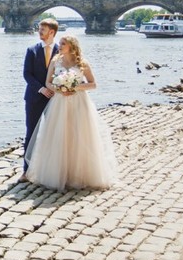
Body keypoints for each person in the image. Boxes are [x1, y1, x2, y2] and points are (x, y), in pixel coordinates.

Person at [25, 35, 118, 191]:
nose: (59, 46)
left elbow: (93, 84)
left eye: (63, 43)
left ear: (72, 46)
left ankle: (79, 174)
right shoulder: (55, 61)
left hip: (79, 103)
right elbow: (48, 82)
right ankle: (60, 173)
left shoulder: (82, 63)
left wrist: (74, 87)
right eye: (60, 43)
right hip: (59, 103)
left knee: (79, 136)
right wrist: (60, 89)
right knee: (60, 136)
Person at [22, 18, 59, 177]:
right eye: (39, 29)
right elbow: (27, 75)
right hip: (34, 98)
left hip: (56, 99)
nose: (39, 32)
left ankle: (49, 170)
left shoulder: (61, 51)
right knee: (31, 133)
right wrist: (42, 89)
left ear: (52, 32)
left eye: (42, 30)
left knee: (54, 134)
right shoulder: (32, 50)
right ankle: (26, 170)